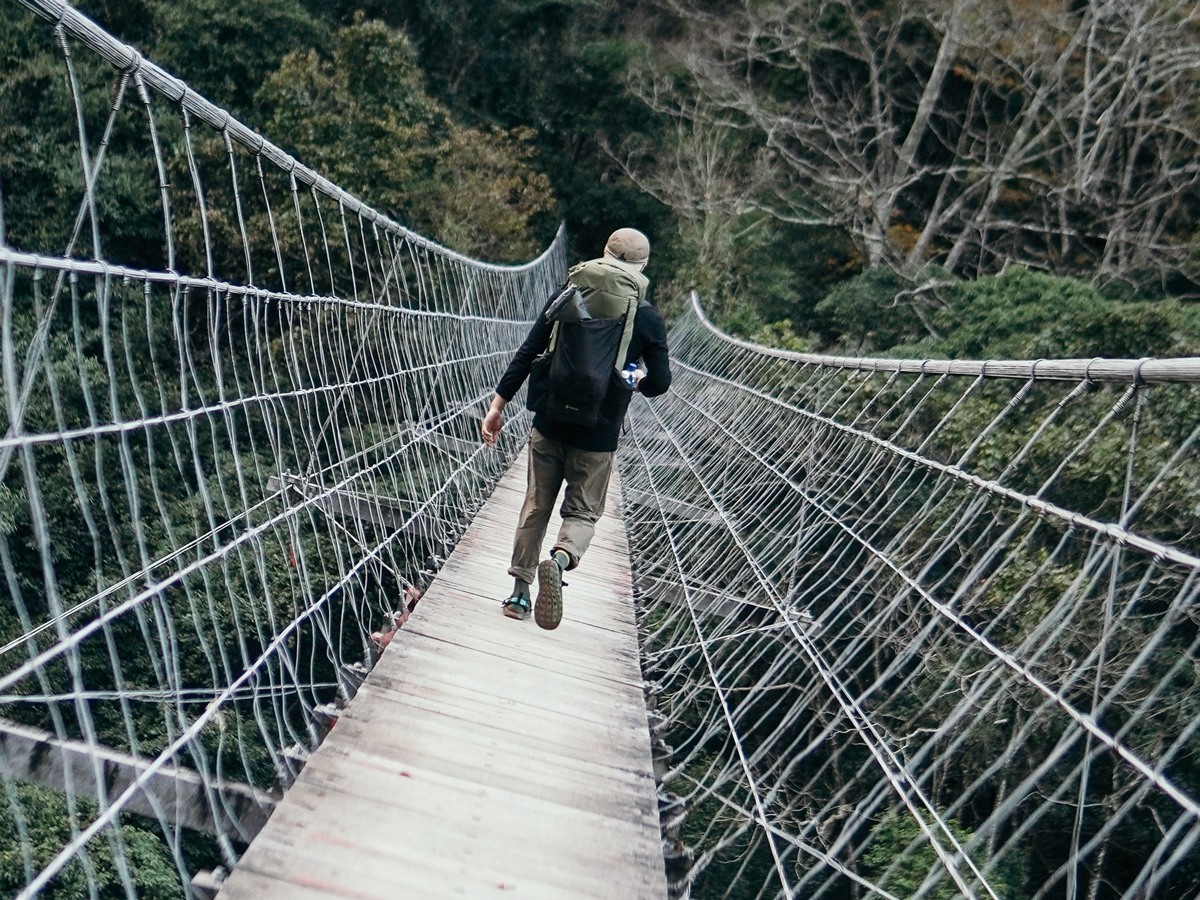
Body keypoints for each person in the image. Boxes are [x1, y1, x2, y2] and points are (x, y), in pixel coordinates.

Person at [480, 228, 671, 629]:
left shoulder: (566, 295)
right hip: (599, 434)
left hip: (549, 421)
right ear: (642, 266)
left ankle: (518, 594)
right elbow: (660, 384)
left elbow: (528, 352)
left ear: (603, 252)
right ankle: (561, 559)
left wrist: (497, 407)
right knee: (583, 512)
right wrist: (633, 371)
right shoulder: (648, 317)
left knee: (535, 506)